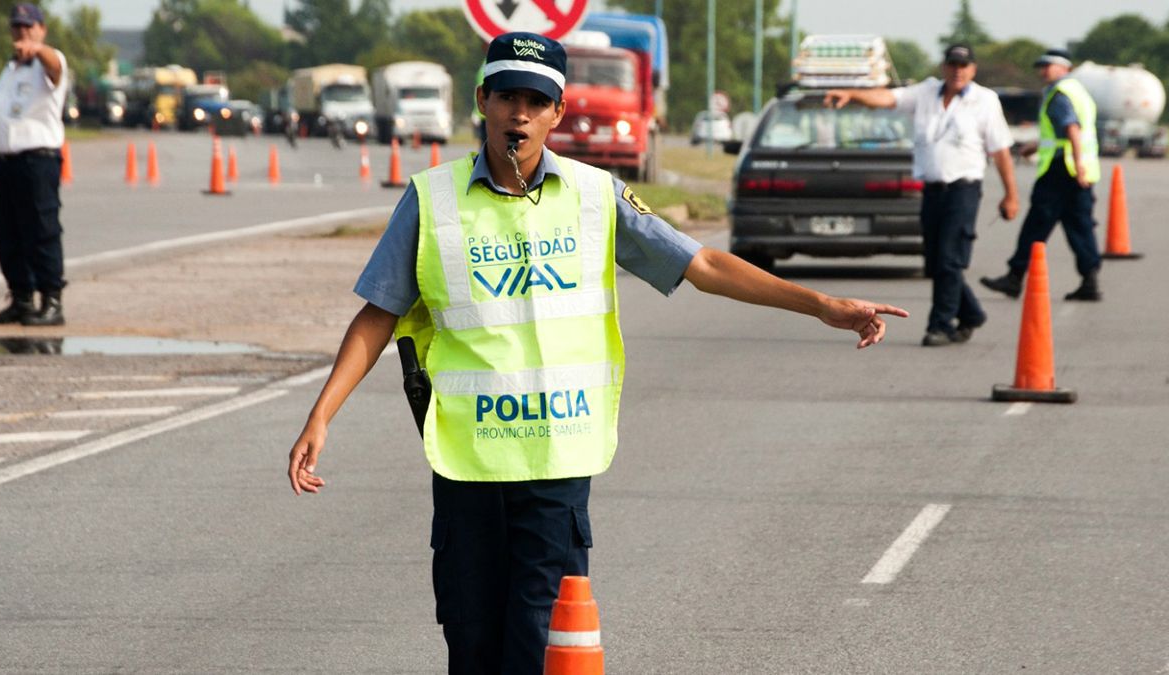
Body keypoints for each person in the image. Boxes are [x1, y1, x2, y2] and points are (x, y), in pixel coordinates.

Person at [286, 32, 908, 675]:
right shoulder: (431, 199)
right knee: (472, 639)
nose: (519, 114)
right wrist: (321, 416)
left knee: (540, 632)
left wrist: (820, 305)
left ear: (558, 112)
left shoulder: (594, 195)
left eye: (537, 100)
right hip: (471, 459)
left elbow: (704, 264)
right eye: (506, 97)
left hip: (559, 453)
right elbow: (378, 314)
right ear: (481, 101)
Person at [825, 44, 1019, 347]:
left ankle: (940, 325)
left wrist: (1011, 195)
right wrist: (853, 94)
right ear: (944, 66)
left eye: (964, 65)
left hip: (963, 190)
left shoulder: (985, 101)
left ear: (973, 69)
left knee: (949, 260)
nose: (958, 70)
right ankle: (971, 313)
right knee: (937, 260)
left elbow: (1000, 151)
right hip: (932, 191)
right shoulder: (926, 93)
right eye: (953, 64)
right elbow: (888, 97)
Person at [980, 48, 1103, 301]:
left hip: (1061, 171)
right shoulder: (1079, 91)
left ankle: (1015, 277)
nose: (1044, 70)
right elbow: (1062, 135)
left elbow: (1071, 130)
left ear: (1064, 68)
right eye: (1042, 66)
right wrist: (1034, 146)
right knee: (1080, 226)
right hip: (1078, 172)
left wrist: (1077, 164)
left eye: (1050, 66)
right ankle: (1090, 280)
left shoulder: (1059, 94)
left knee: (1037, 225)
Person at [0, 2, 69, 326]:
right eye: (17, 28)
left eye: (28, 27)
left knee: (41, 231)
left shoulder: (48, 63)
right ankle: (21, 298)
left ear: (41, 29)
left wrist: (39, 49)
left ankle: (52, 300)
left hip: (37, 160)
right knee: (8, 234)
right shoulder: (11, 69)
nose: (22, 34)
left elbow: (56, 65)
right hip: (7, 163)